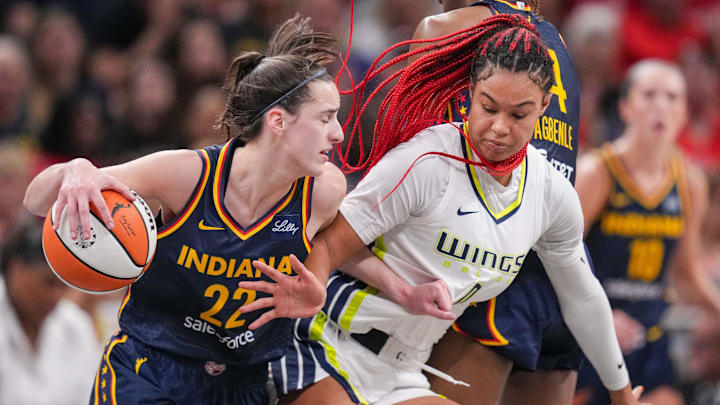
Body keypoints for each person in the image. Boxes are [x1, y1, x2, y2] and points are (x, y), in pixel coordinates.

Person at [240, 14, 641, 405]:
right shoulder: (427, 161)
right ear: (469, 94)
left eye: (518, 114)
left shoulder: (549, 192)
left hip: (402, 370)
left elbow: (583, 297)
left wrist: (621, 392)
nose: (500, 127)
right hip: (326, 342)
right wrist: (316, 283)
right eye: (488, 107)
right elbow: (327, 244)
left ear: (544, 106)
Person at [23, 15, 347, 405]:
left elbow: (340, 242)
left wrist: (321, 284)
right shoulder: (186, 174)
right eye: (326, 118)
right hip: (150, 367)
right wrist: (76, 169)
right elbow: (36, 199)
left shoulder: (324, 191)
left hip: (242, 381)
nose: (338, 133)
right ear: (278, 121)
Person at [406, 1, 587, 404]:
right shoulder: (559, 44)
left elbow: (407, 165)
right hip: (564, 279)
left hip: (489, 262)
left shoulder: (444, 28)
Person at [574, 60, 720, 405]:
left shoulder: (690, 182)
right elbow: (557, 259)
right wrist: (600, 314)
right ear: (625, 107)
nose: (661, 106)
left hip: (649, 338)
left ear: (684, 112)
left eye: (672, 97)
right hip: (589, 336)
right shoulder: (597, 171)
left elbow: (686, 273)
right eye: (649, 94)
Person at [0, 219, 100, 405]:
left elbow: (89, 397)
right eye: (48, 283)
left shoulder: (76, 327)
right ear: (16, 268)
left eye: (63, 285)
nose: (56, 295)